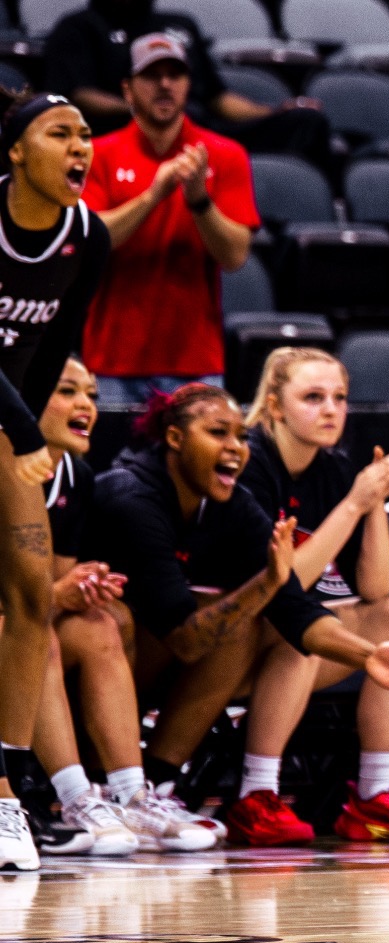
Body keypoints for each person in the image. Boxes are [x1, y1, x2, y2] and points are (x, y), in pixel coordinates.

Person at [88, 384, 389, 846]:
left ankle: (156, 786)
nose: (234, 447)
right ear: (174, 438)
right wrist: (266, 583)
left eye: (239, 436)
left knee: (250, 617)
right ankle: (125, 789)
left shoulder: (231, 502)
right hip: (91, 663)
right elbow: (186, 637)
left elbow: (295, 607)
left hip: (170, 662)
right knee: (202, 615)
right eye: (217, 433)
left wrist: (368, 655)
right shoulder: (132, 496)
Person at [235, 348, 389, 843]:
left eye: (339, 397)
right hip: (221, 639)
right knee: (306, 630)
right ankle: (257, 795)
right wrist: (354, 502)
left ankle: (377, 795)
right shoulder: (247, 462)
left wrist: (373, 504)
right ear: (274, 406)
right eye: (312, 397)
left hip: (277, 634)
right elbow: (280, 587)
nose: (331, 409)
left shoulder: (331, 468)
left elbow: (374, 590)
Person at [29, 358, 220, 856]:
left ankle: (130, 794)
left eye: (91, 394)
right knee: (34, 634)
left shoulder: (73, 473)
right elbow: (28, 605)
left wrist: (79, 588)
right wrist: (53, 597)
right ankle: (73, 799)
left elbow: (49, 583)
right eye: (68, 391)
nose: (85, 406)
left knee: (102, 623)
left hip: (18, 623)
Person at [0, 89, 112, 873]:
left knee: (32, 595)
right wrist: (18, 431)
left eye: (87, 136)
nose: (82, 147)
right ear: (14, 151)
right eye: (60, 132)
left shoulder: (88, 239)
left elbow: (54, 351)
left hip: (4, 421)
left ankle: (7, 787)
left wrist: (28, 439)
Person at [79, 31, 257, 405]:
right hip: (112, 361)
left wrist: (200, 202)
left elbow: (234, 255)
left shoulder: (225, 155)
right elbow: (92, 242)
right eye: (151, 76)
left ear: (188, 84)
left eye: (174, 75)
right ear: (128, 89)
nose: (164, 85)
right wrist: (154, 195)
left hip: (194, 361)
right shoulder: (97, 155)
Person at [43, 0, 331, 165]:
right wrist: (149, 112)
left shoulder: (179, 24)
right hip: (133, 134)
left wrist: (273, 112)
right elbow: (78, 95)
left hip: (202, 129)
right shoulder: (76, 28)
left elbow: (217, 98)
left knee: (307, 122)